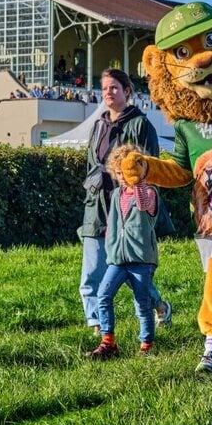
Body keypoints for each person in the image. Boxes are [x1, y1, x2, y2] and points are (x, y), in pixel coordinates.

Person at [77, 68, 172, 335]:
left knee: (130, 269)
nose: (108, 92)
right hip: (97, 205)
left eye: (114, 88)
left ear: (127, 91)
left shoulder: (141, 125)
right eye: (105, 88)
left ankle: (159, 306)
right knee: (92, 269)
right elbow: (90, 165)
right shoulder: (97, 126)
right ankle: (96, 324)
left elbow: (151, 168)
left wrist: (145, 206)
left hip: (128, 207)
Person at [87, 144, 163, 359]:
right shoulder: (117, 193)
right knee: (103, 295)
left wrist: (137, 181)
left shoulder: (149, 191)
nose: (123, 177)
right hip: (118, 258)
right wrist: (110, 247)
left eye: (127, 172)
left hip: (141, 258)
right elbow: (113, 223)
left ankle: (147, 344)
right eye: (119, 172)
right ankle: (108, 342)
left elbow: (142, 206)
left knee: (142, 302)